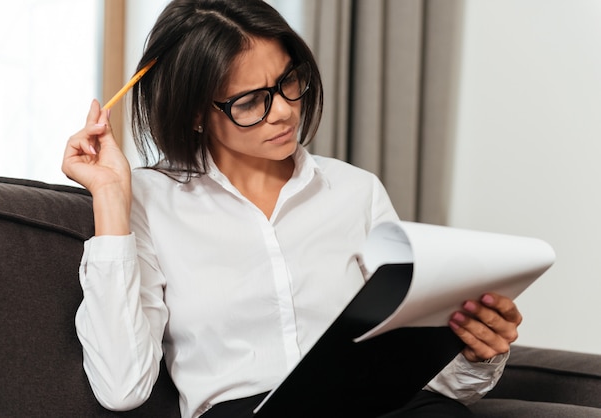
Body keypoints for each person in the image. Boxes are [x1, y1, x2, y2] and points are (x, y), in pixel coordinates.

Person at [62, 1, 522, 417]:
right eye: (251, 101)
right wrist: (109, 197)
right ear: (196, 114)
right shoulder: (147, 200)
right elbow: (122, 386)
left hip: (377, 404)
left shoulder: (354, 190)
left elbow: (425, 375)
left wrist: (474, 353)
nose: (283, 111)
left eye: (288, 81)